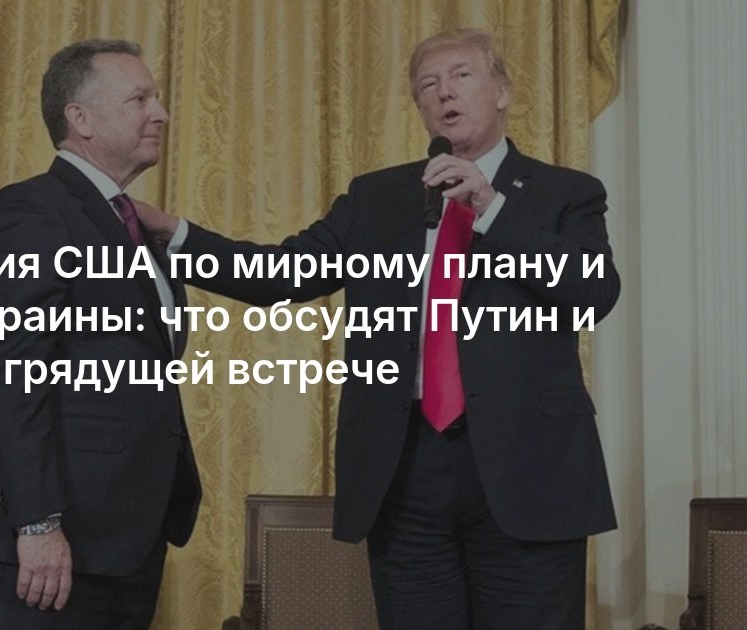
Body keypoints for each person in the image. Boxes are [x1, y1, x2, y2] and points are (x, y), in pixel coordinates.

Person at [136, 28, 619, 630]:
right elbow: (283, 273)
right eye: (428, 84)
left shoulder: (565, 193)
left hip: (529, 469)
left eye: (462, 76)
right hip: (406, 468)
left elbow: (593, 292)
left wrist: (491, 208)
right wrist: (177, 235)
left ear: (501, 91)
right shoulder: (379, 197)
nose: (444, 92)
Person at [0, 39, 201, 630]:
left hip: (125, 544)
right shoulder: (33, 209)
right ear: (80, 118)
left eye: (156, 99)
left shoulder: (134, 224)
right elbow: (15, 373)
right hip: (46, 548)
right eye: (140, 99)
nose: (161, 113)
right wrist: (38, 524)